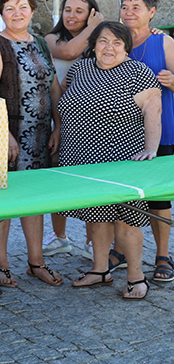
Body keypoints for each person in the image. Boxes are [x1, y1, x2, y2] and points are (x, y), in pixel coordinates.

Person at [58, 21, 161, 300]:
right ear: (94, 44)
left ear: (126, 48)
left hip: (121, 158)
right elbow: (67, 102)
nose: (109, 48)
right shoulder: (81, 68)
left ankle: (136, 278)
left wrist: (151, 149)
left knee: (127, 221)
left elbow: (153, 112)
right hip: (82, 157)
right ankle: (100, 270)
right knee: (96, 215)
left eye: (117, 42)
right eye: (103, 41)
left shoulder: (138, 73)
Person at [0, 0, 63, 288]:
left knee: (34, 199)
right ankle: (0, 263)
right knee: (2, 201)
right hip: (8, 136)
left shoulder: (40, 42)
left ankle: (36, 261)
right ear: (1, 11)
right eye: (10, 8)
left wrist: (58, 125)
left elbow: (54, 86)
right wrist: (4, 134)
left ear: (31, 11)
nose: (17, 13)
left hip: (40, 135)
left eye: (23, 7)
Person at [42, 0, 103, 258]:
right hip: (59, 117)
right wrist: (93, 26)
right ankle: (59, 236)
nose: (71, 15)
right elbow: (68, 51)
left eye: (80, 11)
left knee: (89, 180)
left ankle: (92, 240)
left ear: (91, 12)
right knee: (58, 178)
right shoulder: (51, 39)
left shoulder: (100, 41)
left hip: (92, 120)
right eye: (68, 9)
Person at [120, 0, 174, 283]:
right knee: (126, 193)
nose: (129, 12)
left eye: (136, 7)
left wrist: (173, 81)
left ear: (151, 12)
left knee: (159, 198)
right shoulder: (117, 39)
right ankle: (121, 251)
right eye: (125, 7)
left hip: (162, 129)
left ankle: (163, 255)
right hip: (124, 131)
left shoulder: (163, 42)